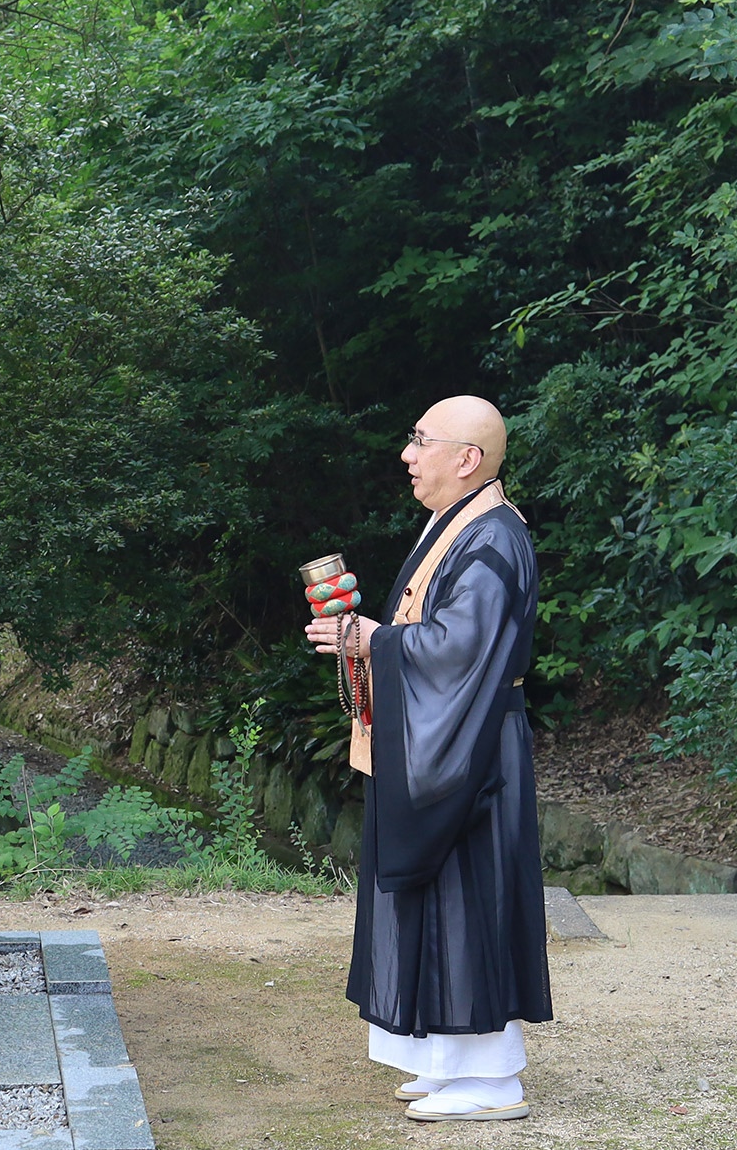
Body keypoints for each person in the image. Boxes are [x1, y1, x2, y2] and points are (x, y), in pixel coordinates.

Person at [304, 395, 552, 1122]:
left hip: (471, 748)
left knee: (467, 899)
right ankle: (444, 1062)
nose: (408, 455)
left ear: (467, 459)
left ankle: (490, 1080)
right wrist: (370, 640)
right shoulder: (457, 524)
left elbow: (458, 651)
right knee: (432, 899)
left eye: (421, 441)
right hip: (446, 731)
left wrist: (372, 642)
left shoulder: (494, 539)